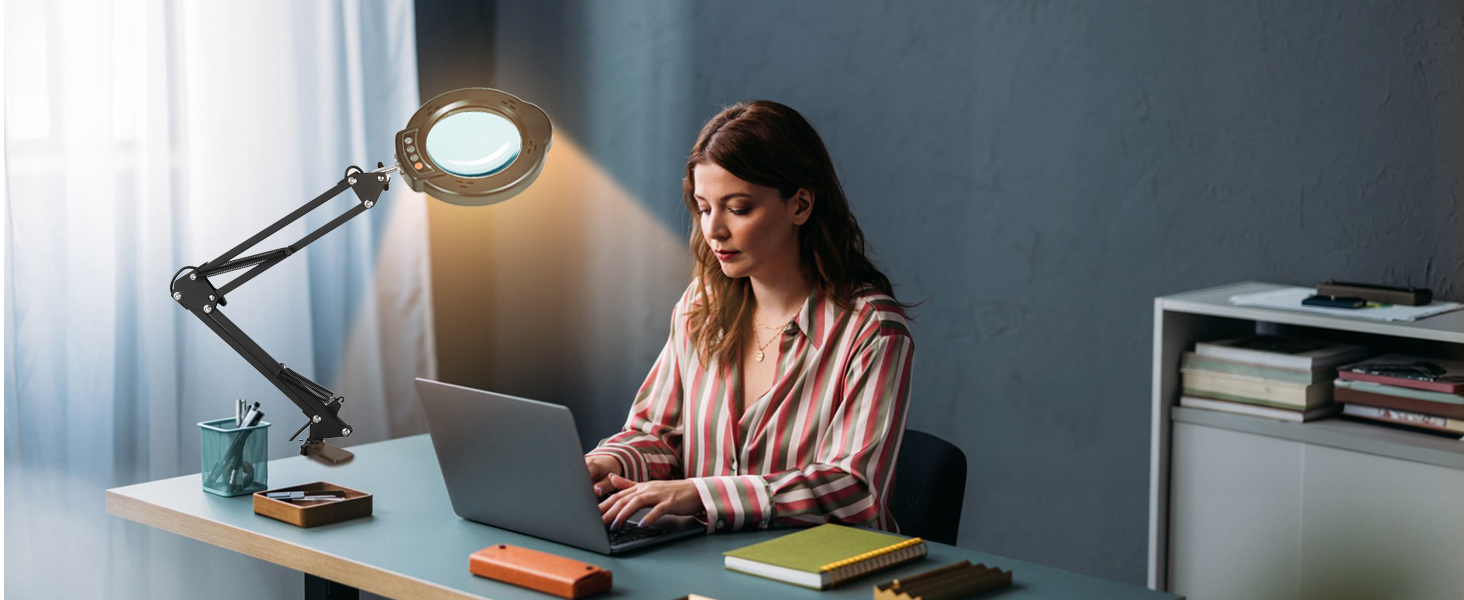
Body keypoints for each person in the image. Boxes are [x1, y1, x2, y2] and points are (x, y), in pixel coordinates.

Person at [586, 100, 916, 535]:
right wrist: (609, 461)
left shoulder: (872, 329)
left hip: (812, 567)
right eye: (704, 208)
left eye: (738, 208)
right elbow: (657, 434)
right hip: (700, 556)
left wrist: (703, 495)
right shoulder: (700, 307)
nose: (714, 230)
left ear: (800, 205)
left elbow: (854, 491)